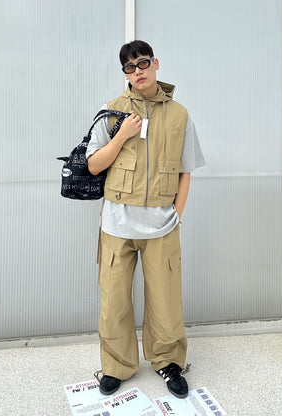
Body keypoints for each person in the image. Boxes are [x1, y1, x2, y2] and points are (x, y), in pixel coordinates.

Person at [86, 40, 205, 399]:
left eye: (141, 63)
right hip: (117, 225)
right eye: (128, 67)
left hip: (162, 227)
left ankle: (168, 362)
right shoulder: (111, 111)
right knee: (114, 302)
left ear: (155, 64)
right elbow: (93, 165)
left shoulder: (180, 114)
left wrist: (177, 215)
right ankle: (116, 366)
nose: (136, 71)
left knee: (166, 301)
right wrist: (121, 134)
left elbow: (186, 171)